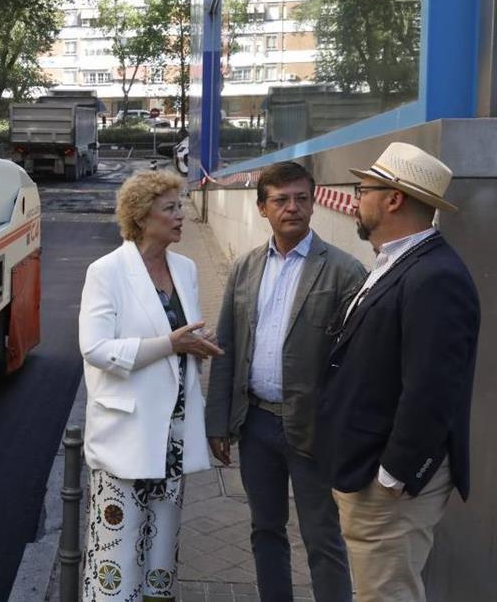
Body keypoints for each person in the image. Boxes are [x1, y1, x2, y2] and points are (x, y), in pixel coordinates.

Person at [315, 142, 479, 602]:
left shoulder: (435, 276)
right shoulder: (398, 261)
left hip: (387, 488)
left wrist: (393, 474)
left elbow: (432, 390)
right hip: (366, 470)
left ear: (393, 199)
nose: (355, 198)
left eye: (363, 189)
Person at [205, 162, 364, 602]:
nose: (292, 208)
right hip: (255, 425)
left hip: (314, 430)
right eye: (281, 200)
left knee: (322, 537)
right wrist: (217, 421)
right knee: (265, 530)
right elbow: (227, 348)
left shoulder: (345, 273)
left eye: (301, 198)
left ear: (314, 204)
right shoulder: (243, 269)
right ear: (262, 209)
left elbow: (357, 367)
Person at [78, 170, 222, 601]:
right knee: (116, 554)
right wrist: (169, 344)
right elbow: (96, 348)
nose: (182, 216)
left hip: (171, 437)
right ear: (142, 217)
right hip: (125, 434)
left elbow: (179, 335)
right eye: (171, 208)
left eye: (180, 206)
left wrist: (196, 346)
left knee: (161, 553)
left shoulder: (186, 268)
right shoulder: (107, 271)